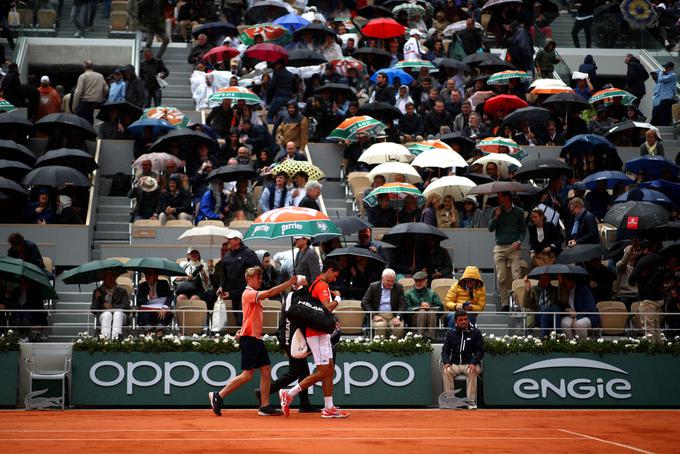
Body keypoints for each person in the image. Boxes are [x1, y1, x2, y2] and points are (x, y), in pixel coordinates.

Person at [209, 268, 297, 417]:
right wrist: (289, 283)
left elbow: (249, 317)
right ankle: (218, 395)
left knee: (266, 370)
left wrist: (241, 329)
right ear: (249, 279)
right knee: (247, 375)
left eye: (260, 278)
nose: (259, 280)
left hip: (255, 338)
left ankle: (265, 406)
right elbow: (269, 293)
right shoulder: (248, 293)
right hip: (250, 339)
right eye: (257, 278)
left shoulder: (250, 294)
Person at [279, 260, 349, 419]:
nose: (335, 279)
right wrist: (338, 299)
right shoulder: (322, 286)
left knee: (329, 369)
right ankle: (289, 394)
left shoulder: (315, 284)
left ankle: (329, 407)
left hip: (319, 331)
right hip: (317, 333)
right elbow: (327, 307)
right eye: (335, 275)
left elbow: (320, 311)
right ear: (330, 270)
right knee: (324, 370)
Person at [259, 276, 319, 413]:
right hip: (290, 340)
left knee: (304, 372)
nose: (306, 286)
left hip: (293, 339)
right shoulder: (292, 296)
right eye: (304, 284)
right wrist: (285, 343)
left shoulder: (294, 296)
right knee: (294, 373)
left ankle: (304, 404)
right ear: (297, 286)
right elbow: (287, 322)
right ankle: (263, 393)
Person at [489, 192, 525, 311]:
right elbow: (490, 228)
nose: (498, 200)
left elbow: (522, 231)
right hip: (499, 247)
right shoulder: (496, 211)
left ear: (507, 198)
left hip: (513, 247)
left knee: (517, 277)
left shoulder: (519, 212)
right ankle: (505, 303)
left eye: (500, 197)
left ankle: (518, 303)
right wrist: (496, 217)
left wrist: (519, 241)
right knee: (501, 278)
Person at [441, 309, 483, 409]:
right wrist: (446, 362)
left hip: (470, 364)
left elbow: (480, 351)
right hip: (455, 365)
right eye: (461, 320)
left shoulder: (476, 332)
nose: (464, 321)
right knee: (446, 371)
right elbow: (445, 351)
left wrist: (473, 362)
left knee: (472, 371)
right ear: (456, 321)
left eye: (465, 319)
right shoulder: (451, 334)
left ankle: (471, 402)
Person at [218, 230, 260, 325]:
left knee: (245, 319)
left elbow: (257, 273)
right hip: (233, 294)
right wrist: (221, 287)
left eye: (230, 239)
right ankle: (242, 339)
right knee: (238, 318)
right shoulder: (227, 256)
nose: (227, 241)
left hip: (246, 294)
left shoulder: (249, 254)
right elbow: (224, 275)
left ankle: (248, 339)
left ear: (237, 241)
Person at [361, 268, 406, 338]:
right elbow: (364, 302)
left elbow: (402, 304)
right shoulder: (373, 286)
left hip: (393, 315)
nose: (390, 283)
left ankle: (395, 347)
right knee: (380, 326)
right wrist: (374, 315)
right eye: (388, 281)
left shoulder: (398, 287)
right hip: (378, 315)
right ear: (382, 278)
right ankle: (380, 346)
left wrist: (398, 317)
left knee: (398, 328)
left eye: (392, 281)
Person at [91, 270, 130, 339]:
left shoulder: (122, 291)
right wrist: (96, 299)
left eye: (113, 277)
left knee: (117, 313)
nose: (111, 279)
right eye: (108, 277)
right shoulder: (98, 291)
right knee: (107, 314)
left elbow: (126, 306)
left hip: (121, 315)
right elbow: (93, 310)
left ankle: (116, 338)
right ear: (104, 279)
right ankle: (104, 338)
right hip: (104, 316)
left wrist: (113, 307)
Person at [559, 274, 600, 339]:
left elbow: (590, 309)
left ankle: (582, 345)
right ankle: (571, 344)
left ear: (572, 282)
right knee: (564, 323)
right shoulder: (565, 290)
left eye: (565, 283)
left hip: (588, 316)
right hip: (572, 316)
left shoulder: (584, 290)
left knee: (579, 324)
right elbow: (561, 306)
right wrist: (567, 309)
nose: (564, 285)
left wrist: (577, 317)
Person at [405, 271, 443, 340]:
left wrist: (430, 306)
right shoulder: (408, 293)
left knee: (431, 312)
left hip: (430, 316)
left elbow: (441, 308)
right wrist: (419, 307)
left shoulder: (432, 293)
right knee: (422, 312)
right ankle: (419, 337)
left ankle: (431, 338)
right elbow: (406, 309)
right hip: (414, 319)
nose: (418, 283)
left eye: (420, 281)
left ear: (426, 281)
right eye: (416, 281)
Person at [136, 269, 172, 336]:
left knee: (162, 314)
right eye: (146, 274)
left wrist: (165, 307)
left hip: (161, 310)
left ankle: (159, 333)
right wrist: (148, 297)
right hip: (147, 312)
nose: (147, 276)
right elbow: (138, 302)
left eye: (150, 274)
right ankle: (148, 335)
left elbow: (170, 297)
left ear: (156, 276)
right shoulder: (142, 286)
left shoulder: (163, 283)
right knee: (145, 314)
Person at [73, 60, 107, 125]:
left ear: (84, 66)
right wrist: (101, 96)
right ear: (93, 67)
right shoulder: (100, 76)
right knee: (95, 124)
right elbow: (106, 89)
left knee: (84, 124)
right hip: (98, 103)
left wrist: (74, 106)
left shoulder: (83, 76)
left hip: (86, 103)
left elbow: (78, 92)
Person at [266, 59, 296, 124]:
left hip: (279, 98)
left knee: (269, 117)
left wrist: (268, 100)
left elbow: (271, 86)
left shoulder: (277, 72)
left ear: (279, 64)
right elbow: (294, 88)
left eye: (275, 65)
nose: (274, 66)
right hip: (289, 98)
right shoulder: (290, 74)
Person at [651, 62, 677, 127]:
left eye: (667, 67)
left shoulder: (672, 75)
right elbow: (658, 78)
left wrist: (661, 72)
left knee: (665, 116)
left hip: (668, 98)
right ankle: (663, 127)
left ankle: (664, 128)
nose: (665, 69)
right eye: (665, 67)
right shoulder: (666, 75)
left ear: (671, 68)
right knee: (663, 115)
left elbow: (660, 79)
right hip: (663, 99)